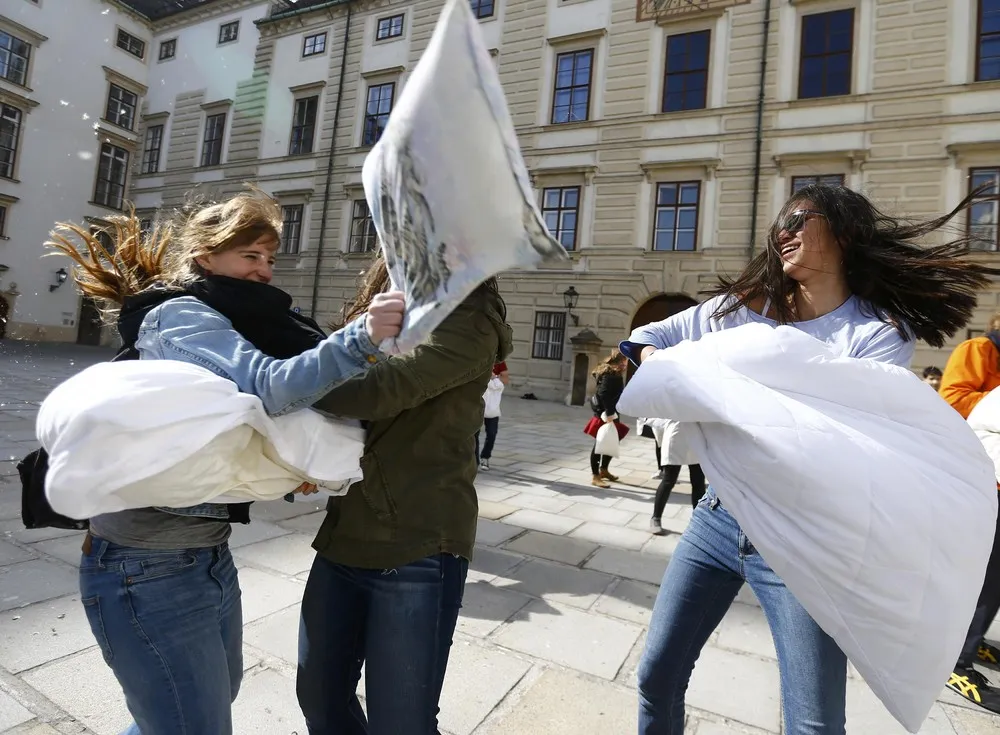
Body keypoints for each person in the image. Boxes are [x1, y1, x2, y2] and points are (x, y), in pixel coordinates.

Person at [622, 184, 1000, 734]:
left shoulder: (877, 334)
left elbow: (831, 436)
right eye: (781, 222)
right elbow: (646, 337)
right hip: (718, 519)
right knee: (657, 676)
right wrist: (667, 367)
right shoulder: (736, 310)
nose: (784, 231)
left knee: (815, 723)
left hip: (804, 542)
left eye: (800, 218)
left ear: (843, 232)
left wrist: (724, 383)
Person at [50, 191, 405, 735]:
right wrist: (361, 338)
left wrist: (285, 468)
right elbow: (266, 386)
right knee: (192, 723)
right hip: (146, 561)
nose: (264, 271)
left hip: (204, 552)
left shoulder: (234, 316)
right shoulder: (183, 315)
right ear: (204, 256)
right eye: (250, 255)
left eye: (270, 259)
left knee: (192, 713)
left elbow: (223, 423)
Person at [297, 253, 512, 735]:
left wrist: (279, 376)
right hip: (345, 532)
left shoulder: (469, 320)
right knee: (319, 695)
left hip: (420, 541)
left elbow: (378, 390)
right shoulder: (385, 307)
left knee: (402, 721)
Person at [938, 320, 1000, 713]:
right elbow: (952, 399)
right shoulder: (980, 350)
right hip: (983, 479)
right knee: (987, 575)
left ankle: (970, 643)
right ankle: (954, 659)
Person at [646, 418, 705, 535]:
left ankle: (699, 522)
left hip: (696, 436)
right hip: (675, 434)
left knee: (698, 481)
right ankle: (655, 518)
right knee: (669, 480)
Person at [585, 350, 629, 488]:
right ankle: (595, 476)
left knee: (611, 441)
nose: (627, 364)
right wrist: (609, 414)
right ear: (620, 361)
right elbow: (603, 394)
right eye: (626, 361)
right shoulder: (611, 375)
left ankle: (603, 470)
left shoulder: (612, 373)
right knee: (600, 444)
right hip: (606, 415)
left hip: (610, 413)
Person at [476, 361, 509, 470]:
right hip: (477, 406)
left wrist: (494, 377)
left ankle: (485, 456)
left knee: (492, 434)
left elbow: (505, 380)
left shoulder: (500, 362)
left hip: (492, 409)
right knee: (474, 435)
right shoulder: (479, 357)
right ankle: (475, 461)